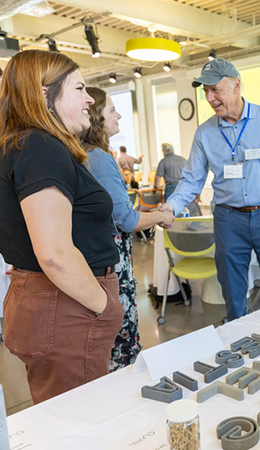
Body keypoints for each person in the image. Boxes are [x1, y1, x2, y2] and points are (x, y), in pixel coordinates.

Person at [0, 50, 124, 403]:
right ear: (45, 94)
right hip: (68, 305)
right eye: (79, 88)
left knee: (62, 414)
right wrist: (104, 306)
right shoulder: (41, 147)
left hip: (50, 301)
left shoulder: (20, 145)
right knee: (81, 420)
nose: (89, 98)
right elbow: (55, 254)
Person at [162, 58, 260, 321]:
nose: (209, 97)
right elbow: (192, 180)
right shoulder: (204, 133)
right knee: (232, 293)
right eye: (205, 91)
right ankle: (239, 345)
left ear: (236, 85)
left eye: (215, 89)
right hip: (228, 219)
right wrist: (171, 206)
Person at [81, 86, 173, 370]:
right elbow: (126, 221)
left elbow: (112, 209)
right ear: (97, 117)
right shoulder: (99, 157)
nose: (119, 115)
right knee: (122, 337)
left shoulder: (84, 152)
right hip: (113, 259)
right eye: (112, 110)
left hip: (93, 256)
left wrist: (146, 210)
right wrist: (159, 217)